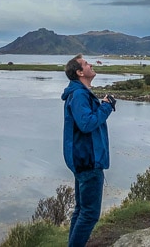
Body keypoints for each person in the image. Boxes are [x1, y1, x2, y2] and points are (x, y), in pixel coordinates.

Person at [62, 54, 116, 247]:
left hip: (83, 158)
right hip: (87, 160)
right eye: (86, 64)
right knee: (90, 214)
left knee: (81, 210)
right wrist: (107, 107)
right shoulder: (79, 95)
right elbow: (86, 124)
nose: (90, 64)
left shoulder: (79, 93)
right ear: (79, 72)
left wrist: (102, 105)